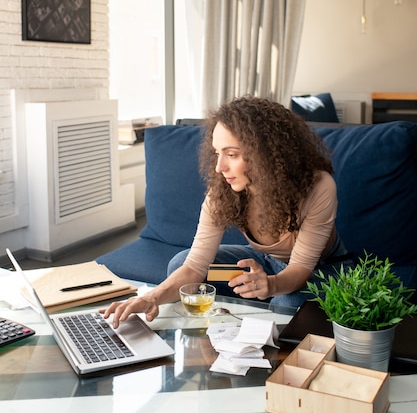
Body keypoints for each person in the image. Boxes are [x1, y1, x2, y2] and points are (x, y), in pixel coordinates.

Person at [101, 95, 353, 327]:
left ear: (265, 154)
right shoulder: (224, 189)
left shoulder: (318, 186)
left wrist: (270, 285)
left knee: (286, 302)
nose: (220, 167)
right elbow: (194, 267)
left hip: (322, 268)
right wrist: (151, 298)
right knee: (180, 266)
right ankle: (250, 309)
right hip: (266, 264)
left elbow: (299, 268)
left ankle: (262, 310)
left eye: (231, 154)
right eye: (217, 153)